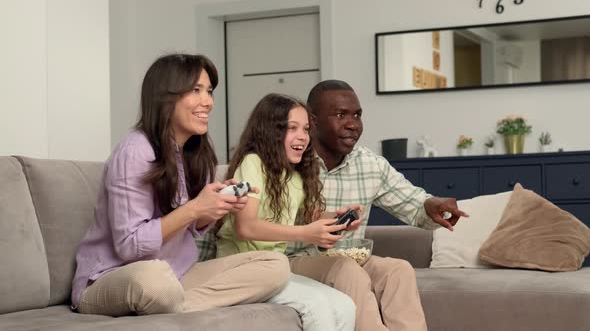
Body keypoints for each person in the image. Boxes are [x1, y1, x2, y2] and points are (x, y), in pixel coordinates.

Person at [70, 54, 290, 316]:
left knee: (275, 265)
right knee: (154, 280)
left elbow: (190, 228)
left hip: (177, 274)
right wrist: (195, 209)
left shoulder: (196, 153)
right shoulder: (135, 151)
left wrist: (214, 207)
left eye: (208, 91)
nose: (208, 102)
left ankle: (175, 306)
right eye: (196, 90)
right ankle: (169, 302)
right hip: (113, 277)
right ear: (165, 97)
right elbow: (129, 245)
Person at [286, 80, 469, 331]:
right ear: (313, 121)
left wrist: (430, 205)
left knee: (398, 270)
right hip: (293, 261)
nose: (352, 124)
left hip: (346, 260)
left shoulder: (370, 164)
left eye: (357, 115)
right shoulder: (290, 158)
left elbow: (413, 203)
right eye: (340, 115)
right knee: (348, 270)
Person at [215, 93, 357, 331]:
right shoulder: (253, 163)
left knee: (345, 306)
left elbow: (309, 220)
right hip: (240, 268)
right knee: (317, 306)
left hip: (274, 269)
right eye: (292, 128)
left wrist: (337, 219)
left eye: (306, 129)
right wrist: (305, 233)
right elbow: (246, 226)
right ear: (271, 131)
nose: (302, 136)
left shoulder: (296, 173)